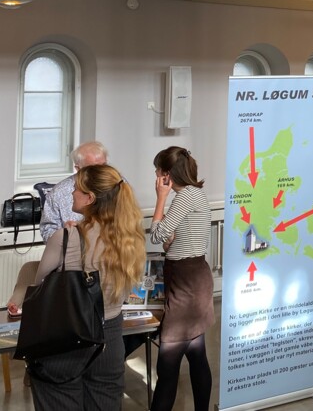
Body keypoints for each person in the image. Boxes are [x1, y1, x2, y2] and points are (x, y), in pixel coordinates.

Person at [28, 164, 145, 409]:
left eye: (76, 189)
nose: (71, 193)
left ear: (90, 198)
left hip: (67, 338)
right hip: (110, 338)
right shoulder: (130, 239)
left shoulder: (66, 237)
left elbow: (39, 285)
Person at [151, 147, 215, 411]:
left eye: (157, 170)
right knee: (197, 355)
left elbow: (156, 235)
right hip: (194, 278)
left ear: (167, 174)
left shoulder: (185, 196)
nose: (155, 175)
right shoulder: (194, 194)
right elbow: (171, 240)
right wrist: (170, 240)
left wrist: (160, 198)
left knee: (167, 367)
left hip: (186, 282)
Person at [40, 141, 109, 241]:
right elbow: (47, 231)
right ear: (78, 168)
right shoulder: (58, 193)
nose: (101, 172)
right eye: (93, 168)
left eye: (104, 166)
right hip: (74, 248)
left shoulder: (118, 183)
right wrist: (64, 234)